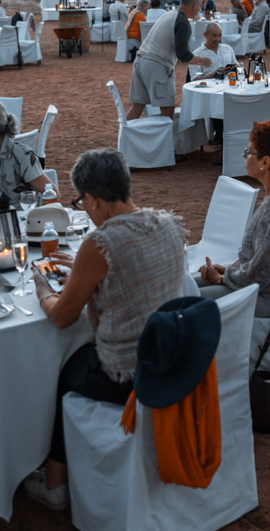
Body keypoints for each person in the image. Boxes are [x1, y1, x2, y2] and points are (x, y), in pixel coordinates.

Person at [26, 147, 191, 510]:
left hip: (127, 375)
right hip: (172, 358)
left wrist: (41, 289)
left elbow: (62, 317)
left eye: (82, 201)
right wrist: (83, 267)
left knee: (64, 369)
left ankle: (54, 482)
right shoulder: (166, 221)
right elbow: (129, 267)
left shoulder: (99, 243)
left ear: (95, 200)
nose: (82, 207)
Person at [197, 120, 270, 317]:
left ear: (265, 162)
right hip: (262, 287)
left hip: (263, 297)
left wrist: (221, 278)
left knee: (185, 300)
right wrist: (227, 269)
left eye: (249, 151)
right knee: (186, 285)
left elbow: (259, 274)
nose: (245, 156)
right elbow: (260, 260)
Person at [128, 0, 205, 122]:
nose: (199, 10)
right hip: (156, 65)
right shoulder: (182, 22)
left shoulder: (170, 14)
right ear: (193, 5)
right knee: (167, 109)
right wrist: (202, 60)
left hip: (140, 61)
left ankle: (124, 140)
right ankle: (161, 142)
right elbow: (183, 54)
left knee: (137, 106)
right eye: (199, 6)